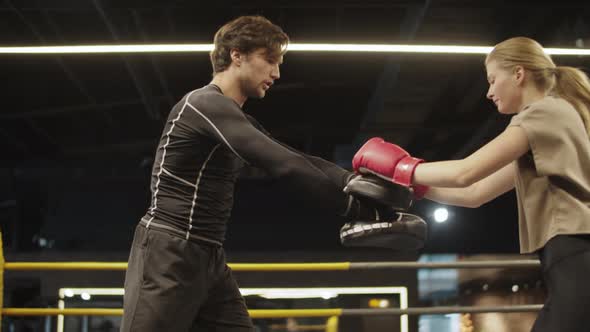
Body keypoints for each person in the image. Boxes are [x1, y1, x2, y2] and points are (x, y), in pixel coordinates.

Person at [120, 15, 416, 332]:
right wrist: (356, 208)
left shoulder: (231, 117)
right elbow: (284, 165)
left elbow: (299, 157)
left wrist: (351, 180)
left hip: (208, 255)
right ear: (236, 54)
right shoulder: (202, 104)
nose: (276, 73)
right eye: (269, 60)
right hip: (169, 251)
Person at [352, 36, 590, 331]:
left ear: (519, 74)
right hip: (574, 254)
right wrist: (412, 187)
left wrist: (400, 168)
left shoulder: (541, 113)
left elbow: (467, 171)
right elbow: (475, 193)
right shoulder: (557, 116)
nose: (489, 92)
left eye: (492, 80)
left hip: (576, 251)